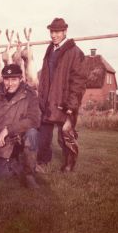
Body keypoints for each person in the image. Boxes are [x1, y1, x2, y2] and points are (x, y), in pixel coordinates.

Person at [36, 18, 87, 173]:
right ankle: (43, 160)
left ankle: (69, 163)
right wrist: (41, 98)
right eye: (52, 31)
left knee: (65, 134)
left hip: (64, 102)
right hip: (48, 102)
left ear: (65, 31)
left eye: (57, 32)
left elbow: (78, 82)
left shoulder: (75, 52)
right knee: (43, 134)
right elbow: (45, 77)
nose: (54, 35)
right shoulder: (50, 50)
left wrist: (71, 106)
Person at [0, 63, 41, 188]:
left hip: (21, 136)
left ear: (21, 79)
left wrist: (8, 130)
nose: (10, 83)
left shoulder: (30, 94)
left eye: (14, 79)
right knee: (2, 175)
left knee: (32, 133)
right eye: (7, 79)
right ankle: (16, 162)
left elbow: (34, 120)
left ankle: (29, 174)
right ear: (3, 79)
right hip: (2, 141)